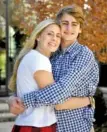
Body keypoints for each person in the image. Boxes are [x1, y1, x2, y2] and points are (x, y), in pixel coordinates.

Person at [9, 4, 99, 132]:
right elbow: (32, 84)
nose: (69, 28)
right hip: (50, 126)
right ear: (59, 25)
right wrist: (13, 98)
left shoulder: (83, 55)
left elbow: (60, 94)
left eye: (74, 24)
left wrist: (24, 100)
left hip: (75, 127)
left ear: (80, 29)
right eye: (65, 23)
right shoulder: (50, 53)